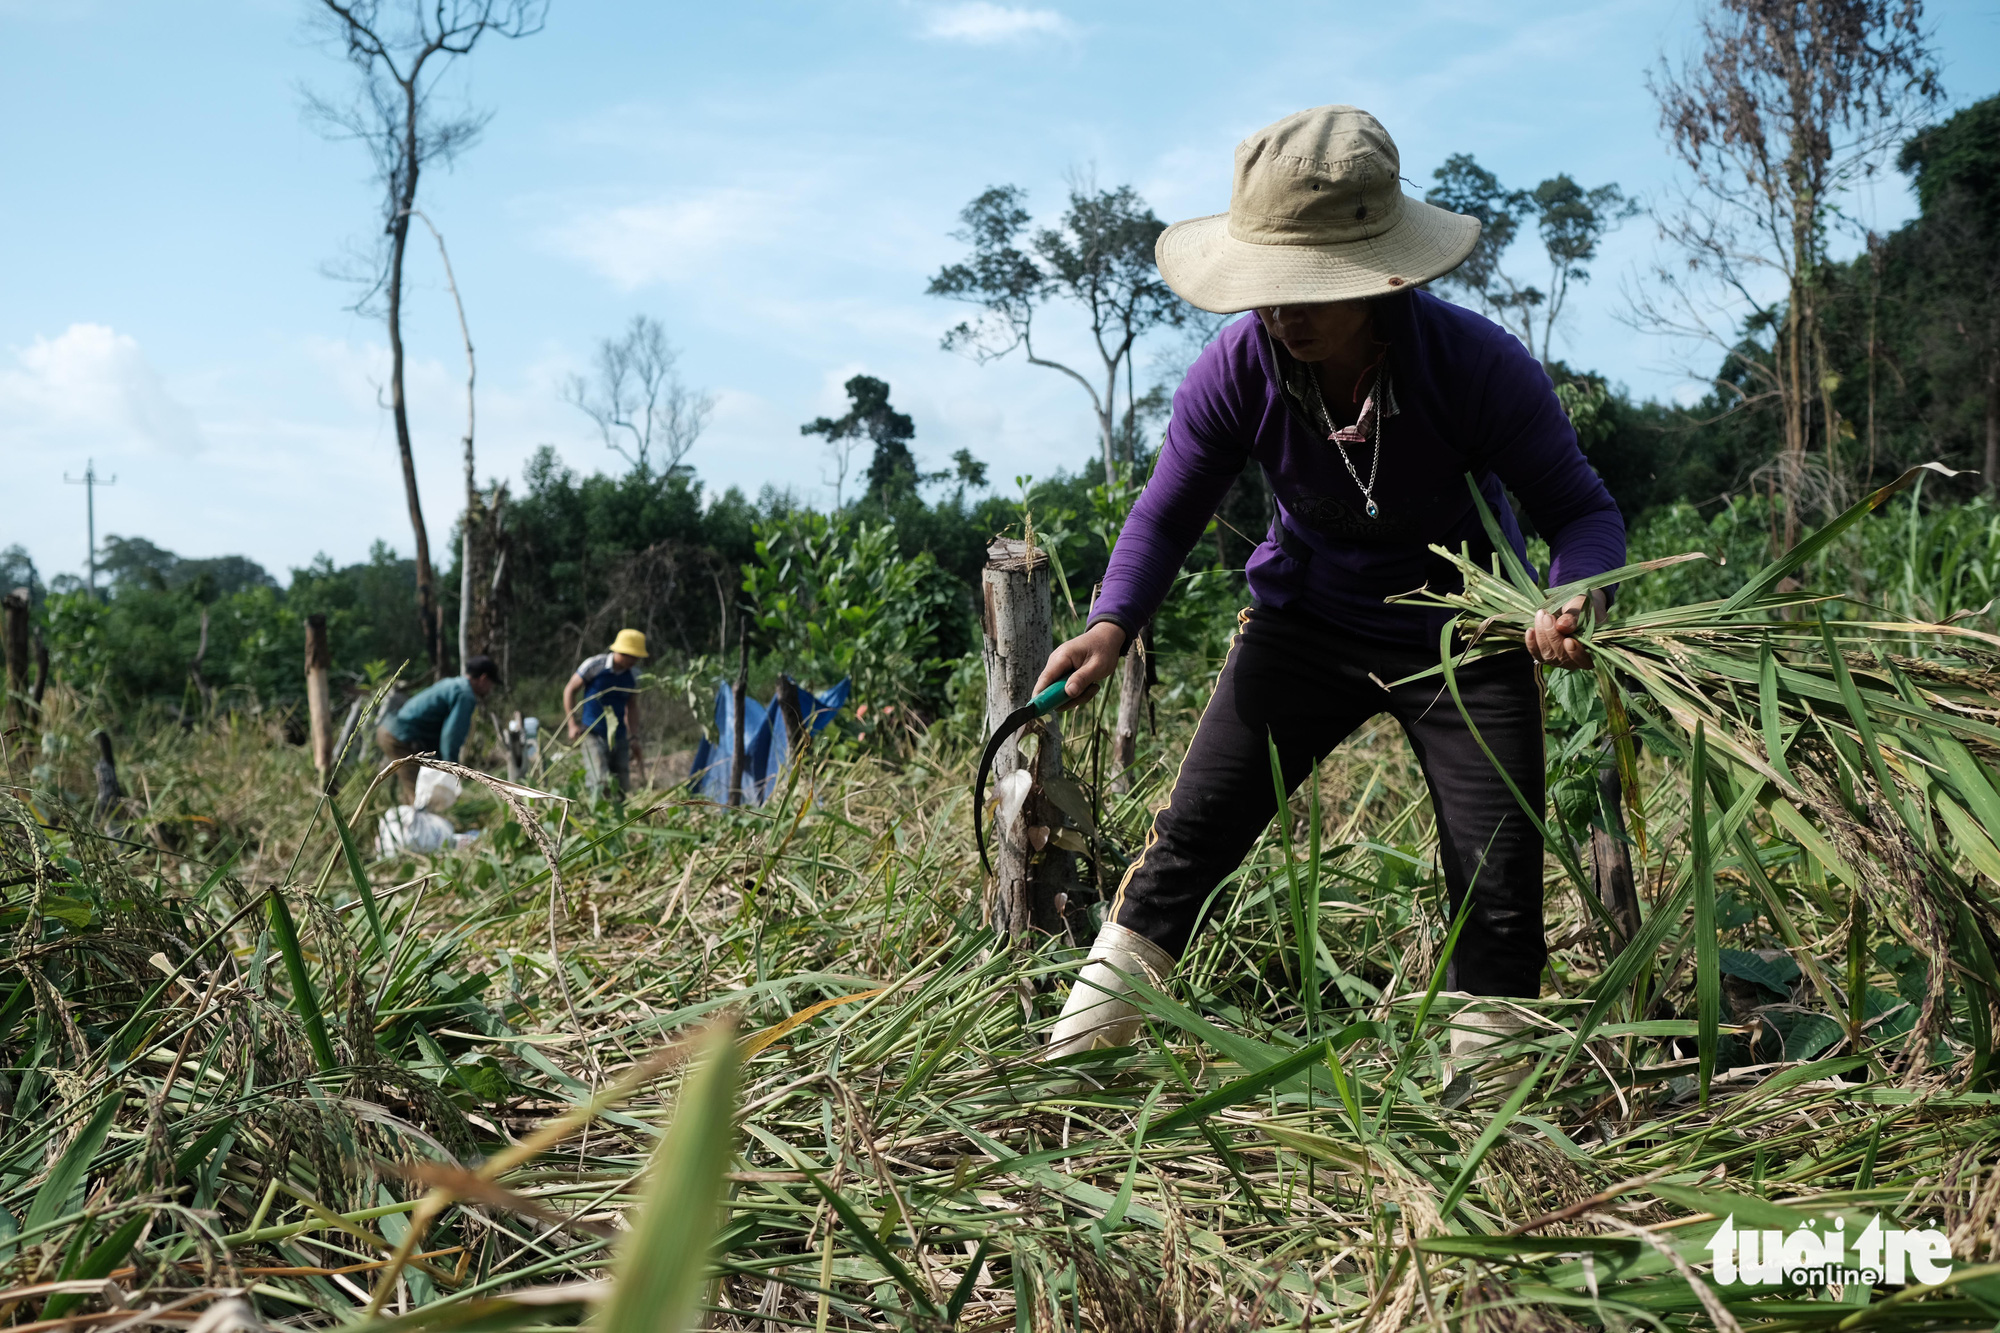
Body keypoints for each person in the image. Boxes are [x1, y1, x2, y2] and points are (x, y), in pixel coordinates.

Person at [1039, 106, 1625, 1072]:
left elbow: (1584, 514)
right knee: (1186, 843)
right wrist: (1113, 621)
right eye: (1267, 288)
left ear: (1379, 276)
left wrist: (1572, 597)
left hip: (1461, 639)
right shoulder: (1238, 370)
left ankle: (1495, 1121)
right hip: (1303, 626)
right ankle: (1074, 1067)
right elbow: (1167, 508)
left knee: (1499, 879)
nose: (1284, 312)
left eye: (1310, 289)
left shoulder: (1476, 369)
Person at [376, 655, 501, 804]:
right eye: (491, 684)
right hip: (400, 738)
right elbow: (451, 735)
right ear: (483, 678)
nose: (491, 689)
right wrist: (452, 769)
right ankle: (416, 823)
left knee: (412, 789)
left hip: (391, 731)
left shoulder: (452, 683)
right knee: (418, 796)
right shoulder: (465, 695)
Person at [565, 629, 648, 798]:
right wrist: (572, 723)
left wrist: (634, 737)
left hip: (619, 736)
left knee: (622, 783)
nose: (635, 660)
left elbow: (632, 706)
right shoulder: (595, 666)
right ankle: (598, 818)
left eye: (637, 657)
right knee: (599, 780)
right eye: (632, 655)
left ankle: (621, 818)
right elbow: (569, 690)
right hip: (593, 732)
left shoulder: (634, 676)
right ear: (620, 651)